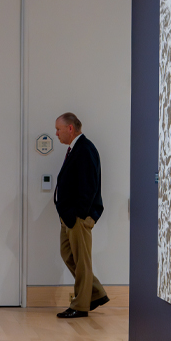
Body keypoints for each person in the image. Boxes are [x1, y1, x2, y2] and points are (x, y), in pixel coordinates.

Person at [53, 112, 109, 318]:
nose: (56, 133)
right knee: (68, 255)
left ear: (70, 128)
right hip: (68, 216)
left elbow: (89, 186)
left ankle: (80, 305)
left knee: (82, 261)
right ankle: (95, 293)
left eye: (58, 129)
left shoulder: (85, 149)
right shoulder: (75, 149)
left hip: (77, 217)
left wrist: (79, 215)